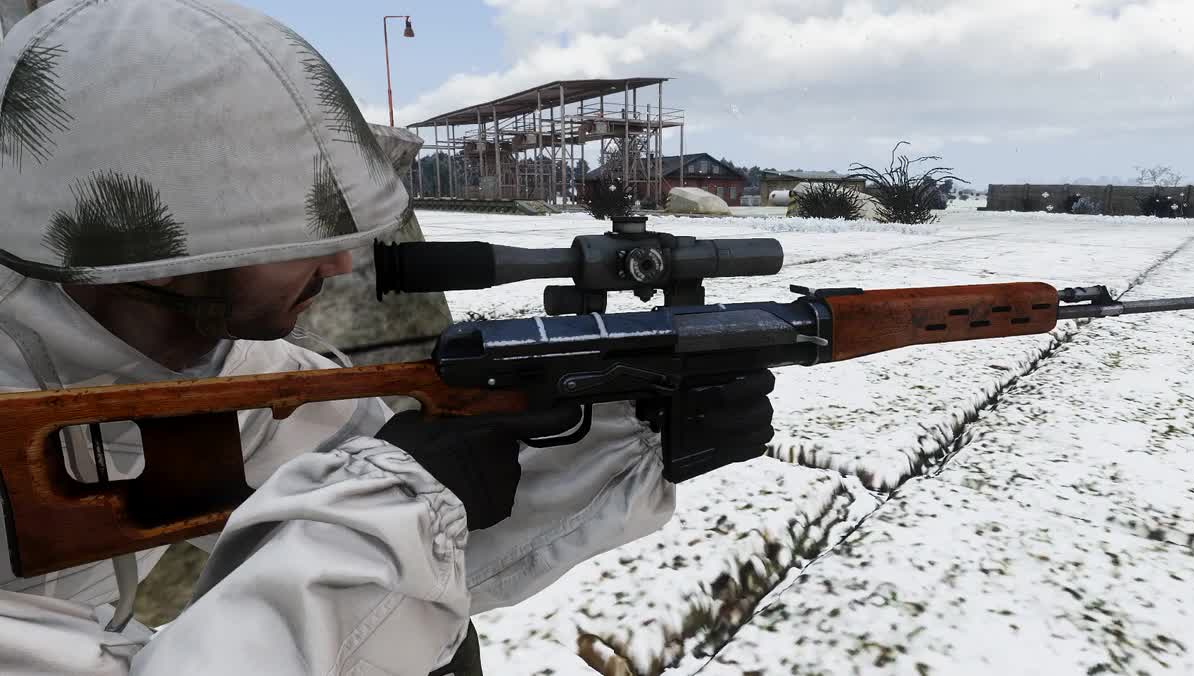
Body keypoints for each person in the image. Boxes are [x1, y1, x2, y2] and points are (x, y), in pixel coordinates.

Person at [0, 1, 775, 674]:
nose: (342, 262)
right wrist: (398, 501)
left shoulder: (226, 368)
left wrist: (617, 432)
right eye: (295, 235)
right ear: (162, 260)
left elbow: (438, 543)